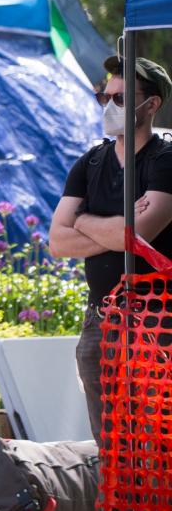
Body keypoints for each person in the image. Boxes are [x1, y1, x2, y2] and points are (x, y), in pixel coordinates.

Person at [50, 54, 172, 445]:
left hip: (157, 321)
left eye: (120, 98)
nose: (109, 105)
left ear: (151, 104)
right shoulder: (90, 162)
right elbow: (57, 242)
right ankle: (117, 508)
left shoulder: (164, 159)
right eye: (105, 97)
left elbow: (135, 236)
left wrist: (83, 220)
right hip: (101, 317)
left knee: (156, 442)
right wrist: (117, 227)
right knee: (111, 446)